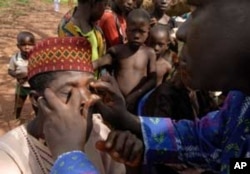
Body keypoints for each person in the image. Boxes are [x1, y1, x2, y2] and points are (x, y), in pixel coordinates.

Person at [45, 0, 250, 173]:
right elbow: (207, 140)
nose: (181, 32)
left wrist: (68, 155)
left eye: (195, 10)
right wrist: (126, 119)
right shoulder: (241, 103)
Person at [0, 37, 125, 174]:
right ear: (37, 100)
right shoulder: (9, 157)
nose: (86, 99)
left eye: (90, 87)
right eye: (68, 92)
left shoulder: (99, 133)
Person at [94, 8, 157, 114]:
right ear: (126, 30)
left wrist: (136, 95)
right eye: (133, 31)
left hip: (139, 102)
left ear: (148, 32)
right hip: (116, 100)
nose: (136, 36)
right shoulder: (118, 50)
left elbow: (153, 80)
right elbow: (103, 64)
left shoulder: (149, 53)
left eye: (141, 31)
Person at [57, 0, 107, 77]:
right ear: (93, 3)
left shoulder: (96, 28)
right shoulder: (66, 30)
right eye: (105, 4)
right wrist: (100, 62)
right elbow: (75, 71)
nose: (105, 9)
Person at [8, 31, 35, 119]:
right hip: (21, 86)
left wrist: (27, 76)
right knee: (18, 104)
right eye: (23, 45)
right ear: (18, 46)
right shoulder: (15, 58)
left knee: (36, 104)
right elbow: (10, 70)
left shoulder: (36, 57)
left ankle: (38, 118)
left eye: (30, 44)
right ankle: (17, 117)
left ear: (34, 45)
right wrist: (17, 75)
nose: (27, 47)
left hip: (34, 86)